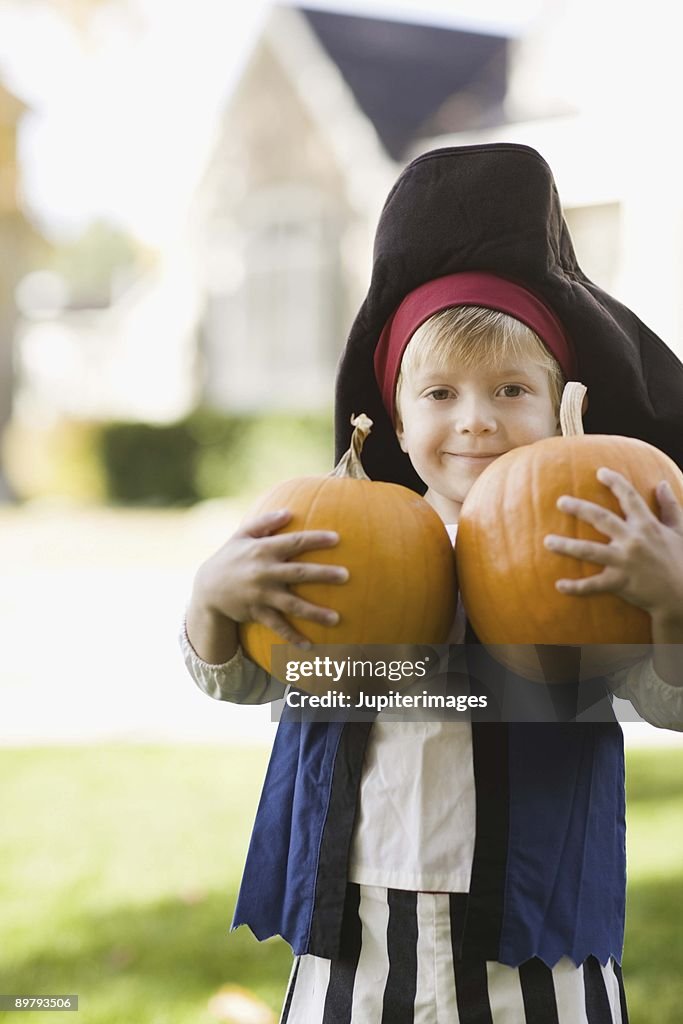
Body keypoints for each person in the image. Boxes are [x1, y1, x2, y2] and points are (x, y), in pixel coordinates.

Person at [181, 144, 683, 1023]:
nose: (476, 419)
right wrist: (212, 600)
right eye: (440, 393)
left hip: (532, 931)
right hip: (357, 924)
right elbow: (249, 677)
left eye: (511, 388)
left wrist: (672, 600)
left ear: (563, 399)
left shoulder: (594, 543)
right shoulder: (339, 537)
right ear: (395, 419)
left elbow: (666, 698)